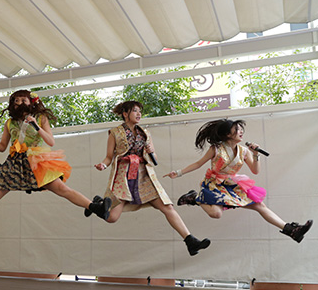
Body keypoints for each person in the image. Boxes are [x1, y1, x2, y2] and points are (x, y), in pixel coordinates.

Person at [166, 118, 312, 242]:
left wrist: (255, 154)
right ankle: (195, 198)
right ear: (227, 134)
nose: (241, 132)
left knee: (259, 205)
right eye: (237, 130)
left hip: (232, 184)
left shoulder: (244, 151)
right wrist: (178, 173)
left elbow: (255, 170)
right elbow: (198, 164)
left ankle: (291, 230)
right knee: (216, 214)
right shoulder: (216, 149)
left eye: (241, 129)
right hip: (214, 184)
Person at [94, 101, 211, 256]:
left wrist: (151, 152)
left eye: (139, 111)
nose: (139, 114)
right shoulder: (114, 133)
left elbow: (154, 157)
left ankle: (190, 241)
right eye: (135, 111)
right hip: (124, 177)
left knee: (167, 206)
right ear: (125, 114)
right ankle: (97, 204)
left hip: (144, 176)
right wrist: (103, 165)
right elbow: (109, 157)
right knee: (112, 218)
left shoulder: (145, 133)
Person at [0, 90, 111, 219]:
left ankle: (95, 207)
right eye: (16, 101)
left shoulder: (41, 118)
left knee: (62, 189)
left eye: (23, 100)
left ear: (31, 102)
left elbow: (51, 141)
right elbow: (2, 147)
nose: (19, 103)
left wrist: (36, 125)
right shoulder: (10, 123)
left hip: (36, 161)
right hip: (14, 163)